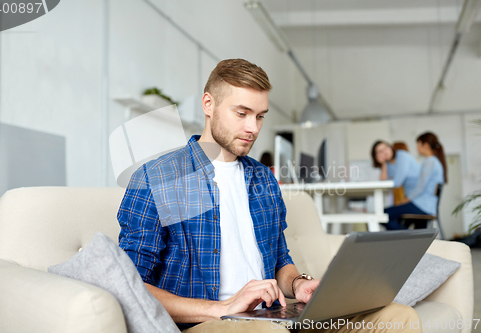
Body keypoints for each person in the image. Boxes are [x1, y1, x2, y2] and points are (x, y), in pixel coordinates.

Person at [118, 59, 421, 332]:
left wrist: (299, 285)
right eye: (242, 113)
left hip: (272, 315)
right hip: (210, 321)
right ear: (208, 104)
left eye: (260, 116)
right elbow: (130, 284)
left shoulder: (262, 178)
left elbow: (280, 261)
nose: (253, 128)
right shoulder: (156, 178)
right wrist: (222, 308)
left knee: (399, 316)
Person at [384, 132, 447, 230]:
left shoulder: (429, 162)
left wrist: (406, 200)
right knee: (402, 221)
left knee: (384, 214)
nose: (416, 147)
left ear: (425, 145)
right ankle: (410, 238)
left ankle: (407, 238)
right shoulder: (434, 161)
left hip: (422, 205)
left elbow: (420, 187)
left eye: (418, 144)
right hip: (426, 205)